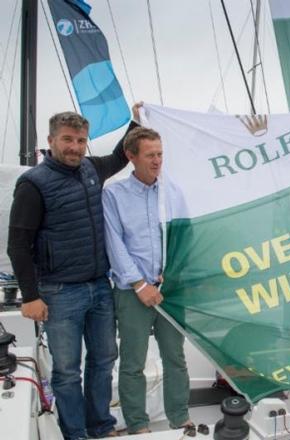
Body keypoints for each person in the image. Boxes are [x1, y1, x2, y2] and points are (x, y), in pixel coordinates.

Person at [7, 108, 140, 439]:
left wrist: (136, 122)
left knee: (104, 359)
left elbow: (119, 157)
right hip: (59, 292)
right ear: (51, 141)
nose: (75, 147)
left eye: (81, 141)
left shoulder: (91, 169)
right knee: (67, 372)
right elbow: (18, 245)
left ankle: (100, 426)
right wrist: (31, 296)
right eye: (67, 139)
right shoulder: (33, 184)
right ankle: (76, 433)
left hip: (99, 286)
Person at [103, 127, 193, 434]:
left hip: (169, 290)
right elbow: (114, 243)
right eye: (150, 155)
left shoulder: (173, 193)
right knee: (132, 363)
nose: (157, 161)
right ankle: (139, 425)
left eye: (160, 154)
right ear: (131, 157)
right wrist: (140, 284)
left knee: (175, 357)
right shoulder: (113, 195)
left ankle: (180, 419)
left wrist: (174, 273)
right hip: (133, 292)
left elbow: (185, 236)